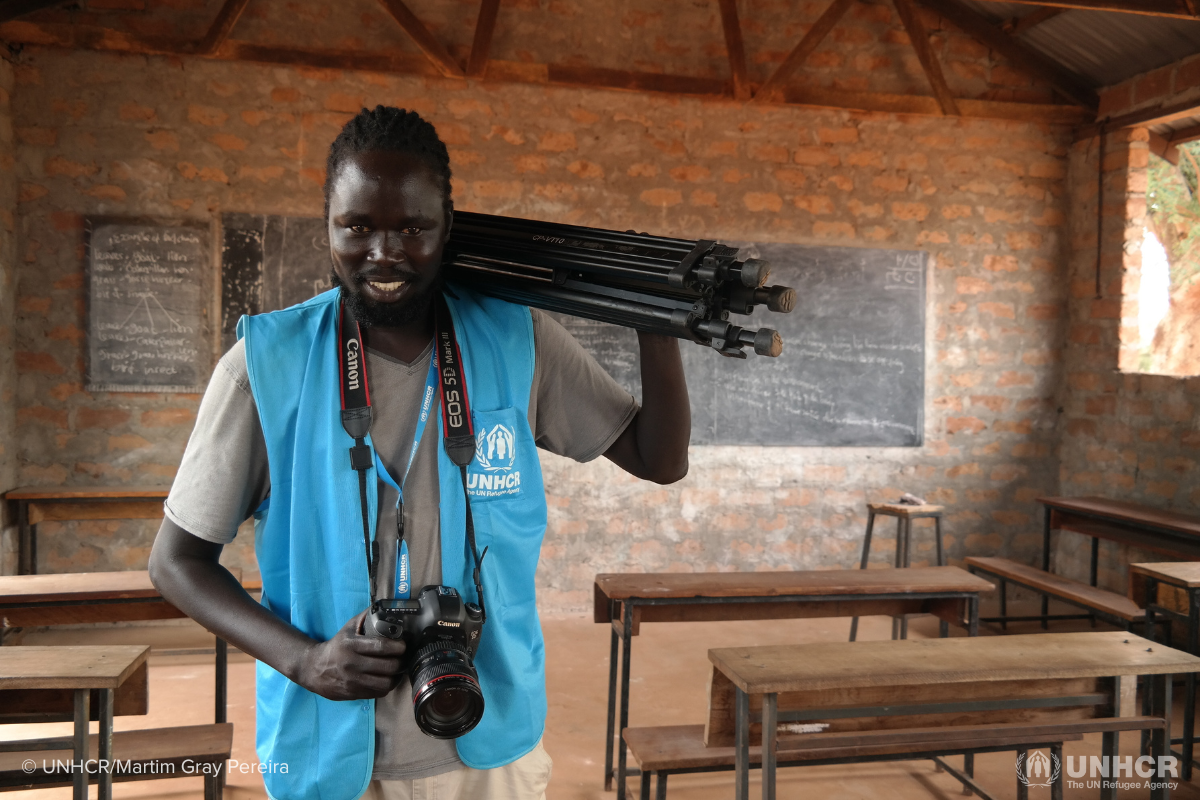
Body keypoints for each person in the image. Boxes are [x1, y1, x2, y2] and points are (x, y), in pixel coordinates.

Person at [148, 105, 691, 800]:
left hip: (487, 740)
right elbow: (175, 562)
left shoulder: (516, 339)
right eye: (358, 227)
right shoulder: (263, 369)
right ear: (327, 225)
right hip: (328, 747)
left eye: (413, 228)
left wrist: (656, 316)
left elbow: (659, 457)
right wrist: (305, 660)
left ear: (447, 229)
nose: (385, 252)